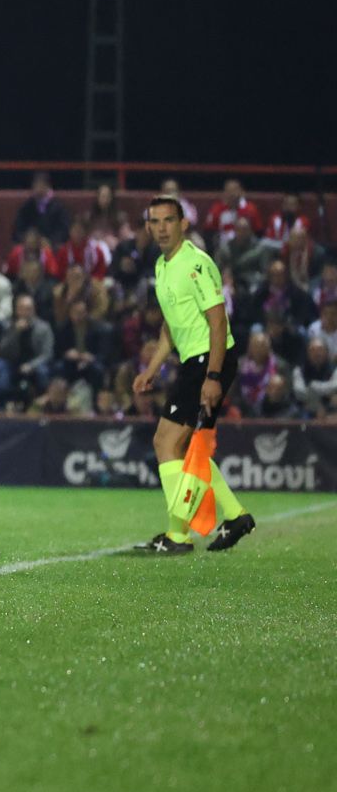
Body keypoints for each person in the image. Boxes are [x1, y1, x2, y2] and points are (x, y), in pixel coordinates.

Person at [131, 197, 256, 553]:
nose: (162, 228)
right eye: (155, 221)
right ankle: (234, 517)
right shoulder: (161, 266)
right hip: (194, 361)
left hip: (209, 359)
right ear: (148, 227)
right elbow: (170, 328)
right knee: (183, 448)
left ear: (183, 224)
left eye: (169, 220)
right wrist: (151, 369)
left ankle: (178, 535)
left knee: (165, 443)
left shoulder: (197, 264)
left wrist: (213, 376)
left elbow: (219, 323)